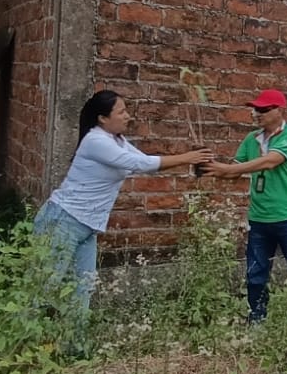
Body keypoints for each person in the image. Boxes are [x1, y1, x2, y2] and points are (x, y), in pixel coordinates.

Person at [34, 89, 213, 349]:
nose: (127, 116)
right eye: (121, 112)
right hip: (62, 221)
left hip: (87, 227)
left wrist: (194, 159)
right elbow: (141, 164)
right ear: (102, 118)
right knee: (43, 288)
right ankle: (20, 347)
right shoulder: (96, 141)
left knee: (83, 290)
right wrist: (188, 158)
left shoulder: (117, 140)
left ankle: (75, 350)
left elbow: (142, 161)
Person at [203, 88, 287, 345]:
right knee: (255, 274)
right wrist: (209, 167)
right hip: (259, 219)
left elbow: (270, 161)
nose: (257, 113)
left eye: (263, 109)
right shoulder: (251, 139)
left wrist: (227, 168)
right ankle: (256, 319)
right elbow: (234, 171)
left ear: (280, 111)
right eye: (255, 109)